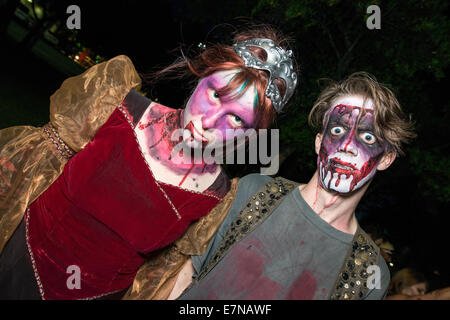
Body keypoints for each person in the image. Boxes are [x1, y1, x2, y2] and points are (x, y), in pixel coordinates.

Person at [0, 26, 298, 300]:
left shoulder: (216, 197)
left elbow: (159, 276)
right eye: (216, 94)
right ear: (202, 75)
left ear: (249, 136)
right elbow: (27, 167)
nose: (209, 122)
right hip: (15, 263)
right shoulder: (116, 105)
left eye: (236, 119)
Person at [168, 72, 416, 300]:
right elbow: (183, 275)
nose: (346, 146)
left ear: (386, 158)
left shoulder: (369, 273)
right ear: (319, 143)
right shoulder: (253, 191)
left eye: (367, 137)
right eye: (338, 129)